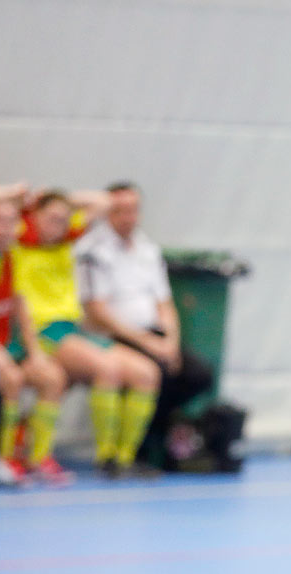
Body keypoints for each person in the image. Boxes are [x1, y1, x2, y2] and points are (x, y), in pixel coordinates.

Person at [0, 183, 160, 479]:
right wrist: (27, 196)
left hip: (71, 328)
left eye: (63, 218)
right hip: (42, 331)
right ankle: (106, 458)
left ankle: (125, 457)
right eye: (51, 218)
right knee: (106, 370)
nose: (57, 224)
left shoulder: (66, 237)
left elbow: (103, 202)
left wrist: (62, 201)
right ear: (34, 217)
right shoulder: (20, 236)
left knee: (146, 373)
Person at [78, 181, 214, 471]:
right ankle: (125, 454)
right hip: (116, 336)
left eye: (133, 210)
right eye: (120, 210)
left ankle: (153, 437)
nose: (128, 217)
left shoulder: (147, 249)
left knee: (198, 374)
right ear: (108, 212)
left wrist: (171, 343)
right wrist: (147, 343)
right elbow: (98, 312)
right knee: (156, 372)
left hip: (154, 336)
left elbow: (165, 303)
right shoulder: (93, 250)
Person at [0, 195, 70, 486]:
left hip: (8, 346)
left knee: (52, 377)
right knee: (11, 378)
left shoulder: (13, 256)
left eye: (9, 222)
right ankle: (3, 459)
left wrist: (35, 351)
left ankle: (38, 458)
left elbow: (21, 309)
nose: (3, 229)